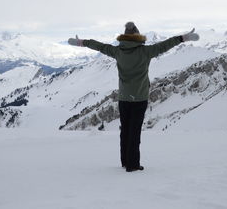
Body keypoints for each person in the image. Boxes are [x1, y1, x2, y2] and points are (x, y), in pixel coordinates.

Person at [68, 22, 199, 172]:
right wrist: (184, 38)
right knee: (134, 132)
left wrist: (81, 42)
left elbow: (99, 46)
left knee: (125, 131)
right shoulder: (146, 51)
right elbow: (166, 45)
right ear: (138, 36)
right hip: (139, 98)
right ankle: (133, 165)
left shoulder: (117, 51)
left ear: (124, 36)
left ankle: (125, 161)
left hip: (124, 98)